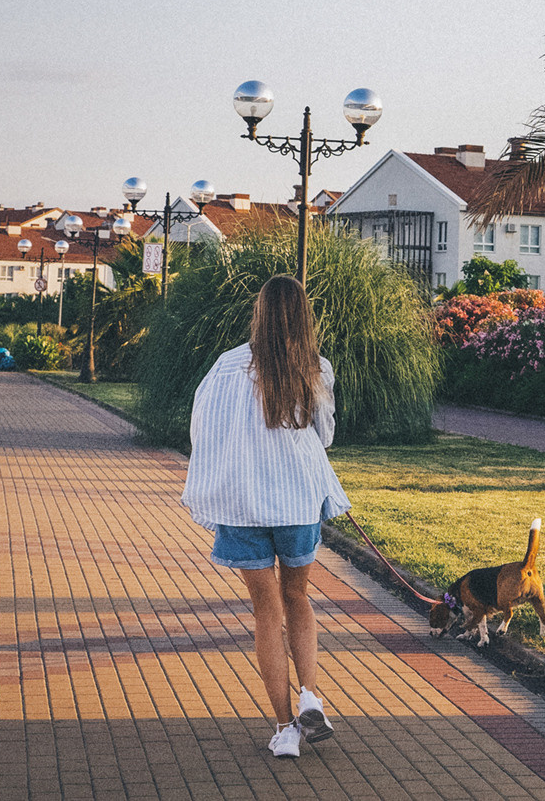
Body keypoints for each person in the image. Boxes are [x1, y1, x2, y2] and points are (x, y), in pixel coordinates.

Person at [182, 275, 349, 758]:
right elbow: (326, 435)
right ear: (303, 315)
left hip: (243, 505)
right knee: (298, 598)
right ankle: (311, 694)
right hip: (295, 502)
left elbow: (203, 428)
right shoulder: (314, 368)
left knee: (265, 611)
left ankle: (284, 729)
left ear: (259, 313)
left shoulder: (226, 366)